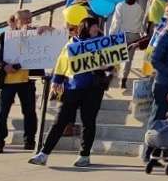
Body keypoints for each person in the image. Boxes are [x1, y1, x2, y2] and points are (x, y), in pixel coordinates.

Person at [29, 17, 113, 168]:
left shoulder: (103, 43)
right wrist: (57, 80)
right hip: (72, 87)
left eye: (97, 26)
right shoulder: (72, 42)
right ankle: (44, 154)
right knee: (60, 121)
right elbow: (62, 62)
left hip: (93, 89)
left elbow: (112, 64)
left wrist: (106, 67)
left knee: (88, 122)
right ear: (85, 28)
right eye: (93, 26)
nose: (96, 29)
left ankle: (84, 155)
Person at [0, 9, 42, 153]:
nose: (29, 22)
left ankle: (29, 141)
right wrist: (4, 66)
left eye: (30, 19)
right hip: (7, 82)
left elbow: (51, 40)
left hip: (27, 81)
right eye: (26, 19)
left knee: (30, 112)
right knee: (2, 113)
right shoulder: (4, 37)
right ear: (17, 21)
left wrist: (44, 30)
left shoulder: (35, 35)